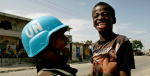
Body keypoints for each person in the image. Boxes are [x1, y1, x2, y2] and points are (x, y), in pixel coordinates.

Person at [91, 2, 135, 76]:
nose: (100, 18)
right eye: (96, 16)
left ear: (114, 20)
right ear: (93, 23)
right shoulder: (93, 46)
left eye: (104, 14)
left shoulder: (121, 41)